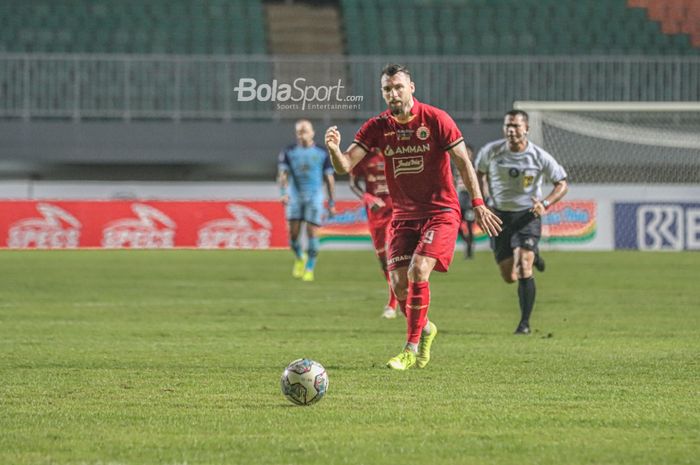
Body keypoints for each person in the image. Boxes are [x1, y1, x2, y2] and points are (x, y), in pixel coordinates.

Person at [325, 64, 502, 370]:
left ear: (411, 87)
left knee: (419, 270)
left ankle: (409, 348)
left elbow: (463, 162)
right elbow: (344, 166)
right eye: (387, 89)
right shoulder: (376, 127)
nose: (393, 93)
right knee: (398, 284)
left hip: (441, 211)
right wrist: (333, 150)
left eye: (398, 87)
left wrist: (478, 203)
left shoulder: (436, 119)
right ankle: (427, 328)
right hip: (403, 216)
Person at [475, 110, 568, 335]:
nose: (511, 130)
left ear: (526, 129)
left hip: (528, 215)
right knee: (509, 276)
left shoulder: (538, 156)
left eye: (516, 126)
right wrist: (482, 200)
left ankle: (524, 324)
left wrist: (544, 204)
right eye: (508, 125)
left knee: (523, 266)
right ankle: (533, 254)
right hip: (499, 216)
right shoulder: (491, 151)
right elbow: (478, 174)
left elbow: (562, 184)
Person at [278, 119, 336, 282]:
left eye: (305, 131)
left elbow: (329, 178)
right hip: (295, 197)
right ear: (296, 134)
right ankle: (299, 257)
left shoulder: (322, 152)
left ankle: (310, 267)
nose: (302, 134)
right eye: (299, 131)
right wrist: (283, 192)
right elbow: (283, 174)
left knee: (312, 233)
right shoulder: (288, 152)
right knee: (293, 236)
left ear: (312, 133)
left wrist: (331, 203)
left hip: (314, 197)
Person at [349, 147, 399, 319]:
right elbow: (353, 183)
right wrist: (368, 198)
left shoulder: (397, 149)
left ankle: (393, 302)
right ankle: (398, 295)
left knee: (391, 250)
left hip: (396, 209)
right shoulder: (364, 156)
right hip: (375, 214)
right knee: (384, 260)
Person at [451, 144, 476, 259]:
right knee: (456, 224)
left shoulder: (474, 167)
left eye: (469, 152)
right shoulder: (457, 165)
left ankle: (470, 247)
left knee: (470, 225)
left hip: (470, 198)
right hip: (459, 197)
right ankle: (467, 241)